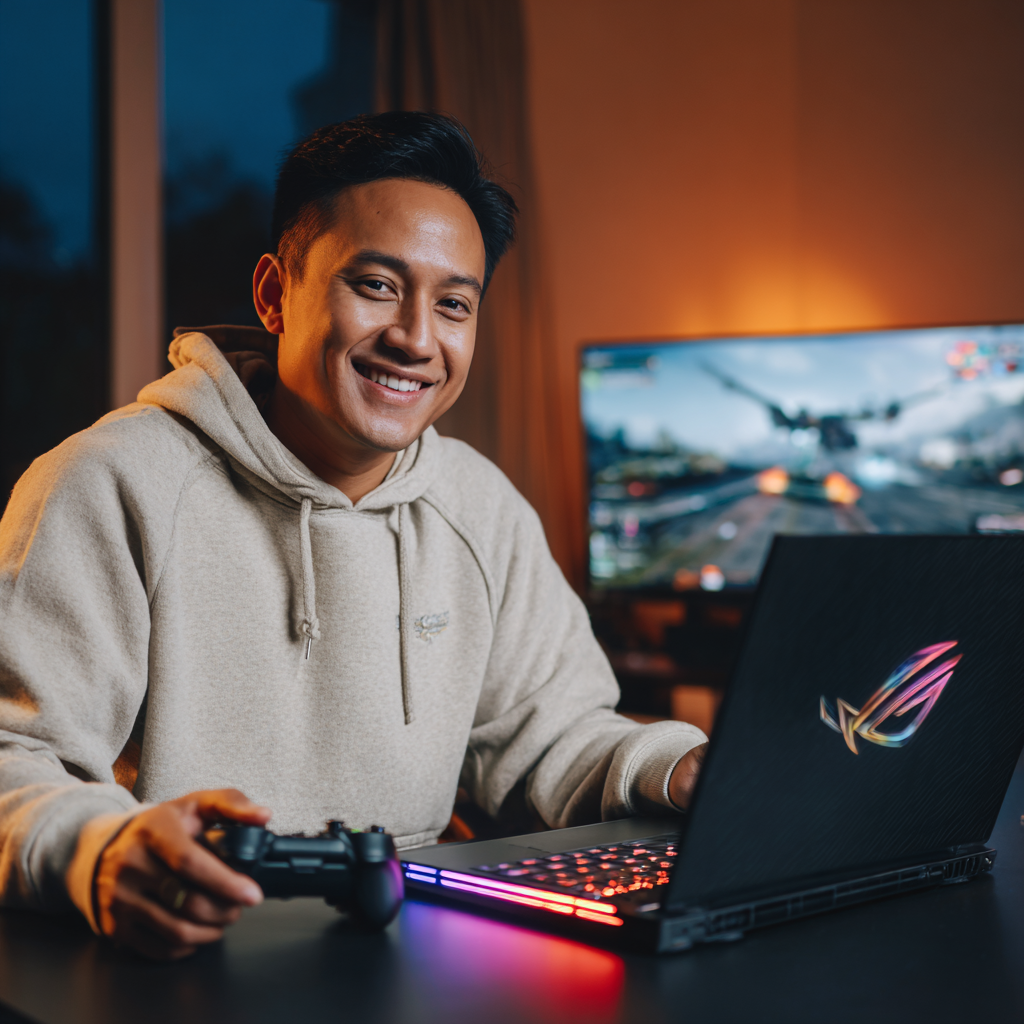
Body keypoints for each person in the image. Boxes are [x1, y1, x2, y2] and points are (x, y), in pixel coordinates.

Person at [0, 112, 708, 960]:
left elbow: (551, 738)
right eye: (375, 285)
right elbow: (13, 755)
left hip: (408, 958)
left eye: (454, 305)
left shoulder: (480, 507)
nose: (416, 338)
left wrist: (680, 769)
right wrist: (100, 850)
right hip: (170, 960)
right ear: (275, 294)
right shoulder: (110, 483)